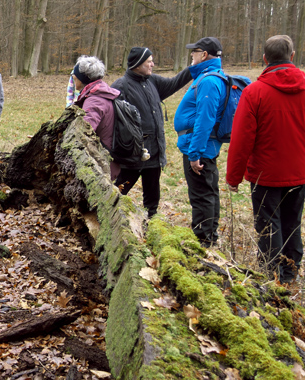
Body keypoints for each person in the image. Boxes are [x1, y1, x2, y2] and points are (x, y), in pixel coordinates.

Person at [225, 34, 305, 284]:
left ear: (264, 59)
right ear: (292, 56)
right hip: (298, 173)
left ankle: (272, 275)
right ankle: (290, 271)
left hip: (265, 176)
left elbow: (241, 139)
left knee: (268, 226)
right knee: (292, 222)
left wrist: (233, 177)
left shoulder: (254, 93)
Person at [111, 46, 192, 218]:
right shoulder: (121, 86)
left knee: (152, 201)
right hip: (132, 155)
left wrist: (194, 68)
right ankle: (106, 219)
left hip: (154, 153)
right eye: (149, 62)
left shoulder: (152, 81)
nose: (152, 64)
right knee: (117, 193)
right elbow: (109, 118)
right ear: (138, 64)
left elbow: (175, 82)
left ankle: (152, 223)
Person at [174, 36, 228, 246]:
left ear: (204, 55)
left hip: (199, 150)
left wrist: (195, 154)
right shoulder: (208, 77)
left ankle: (204, 241)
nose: (191, 55)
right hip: (201, 147)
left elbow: (205, 120)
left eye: (194, 51)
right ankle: (209, 237)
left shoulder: (208, 81)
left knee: (202, 197)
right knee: (208, 193)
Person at [70, 56, 120, 180]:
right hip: (109, 158)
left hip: (104, 162)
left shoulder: (95, 101)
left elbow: (83, 132)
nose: (73, 77)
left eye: (75, 75)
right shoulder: (101, 93)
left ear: (83, 78)